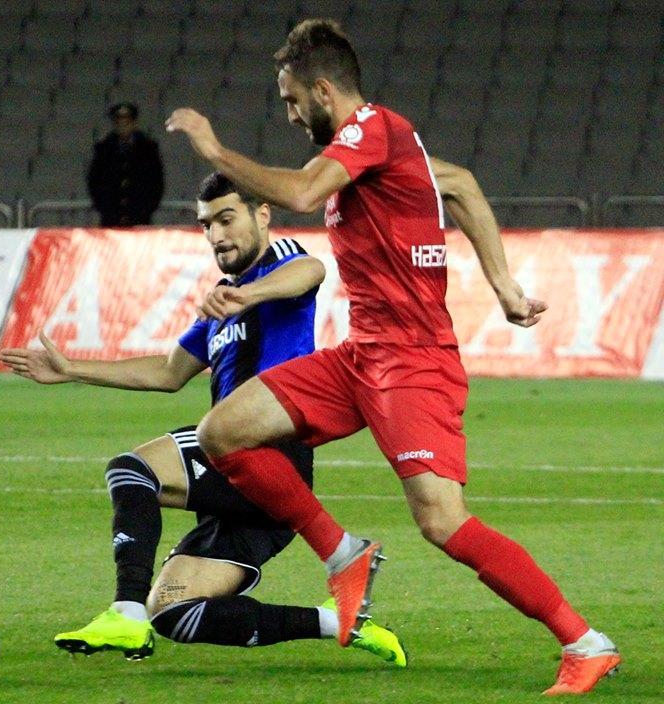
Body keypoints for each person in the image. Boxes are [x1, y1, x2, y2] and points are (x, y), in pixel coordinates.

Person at [165, 19, 619, 696]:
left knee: (441, 521)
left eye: (293, 101)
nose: (290, 115)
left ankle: (584, 642)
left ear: (324, 91)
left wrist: (214, 149)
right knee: (222, 430)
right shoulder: (385, 151)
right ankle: (344, 554)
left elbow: (300, 193)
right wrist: (503, 285)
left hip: (412, 363)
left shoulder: (372, 128)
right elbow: (460, 184)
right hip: (362, 356)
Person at [0, 173, 406, 666]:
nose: (216, 235)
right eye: (207, 224)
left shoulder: (277, 266)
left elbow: (311, 270)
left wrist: (249, 296)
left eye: (227, 219)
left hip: (265, 449)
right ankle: (337, 622)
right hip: (245, 484)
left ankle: (126, 612)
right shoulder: (222, 299)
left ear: (262, 215)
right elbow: (168, 372)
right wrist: (71, 370)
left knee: (132, 471)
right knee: (175, 611)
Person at [86, 102, 165, 227]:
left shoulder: (148, 149)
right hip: (111, 218)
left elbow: (156, 184)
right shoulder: (104, 149)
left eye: (127, 121)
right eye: (119, 121)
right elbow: (95, 182)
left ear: (134, 123)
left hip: (140, 218)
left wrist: (144, 210)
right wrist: (106, 209)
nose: (123, 125)